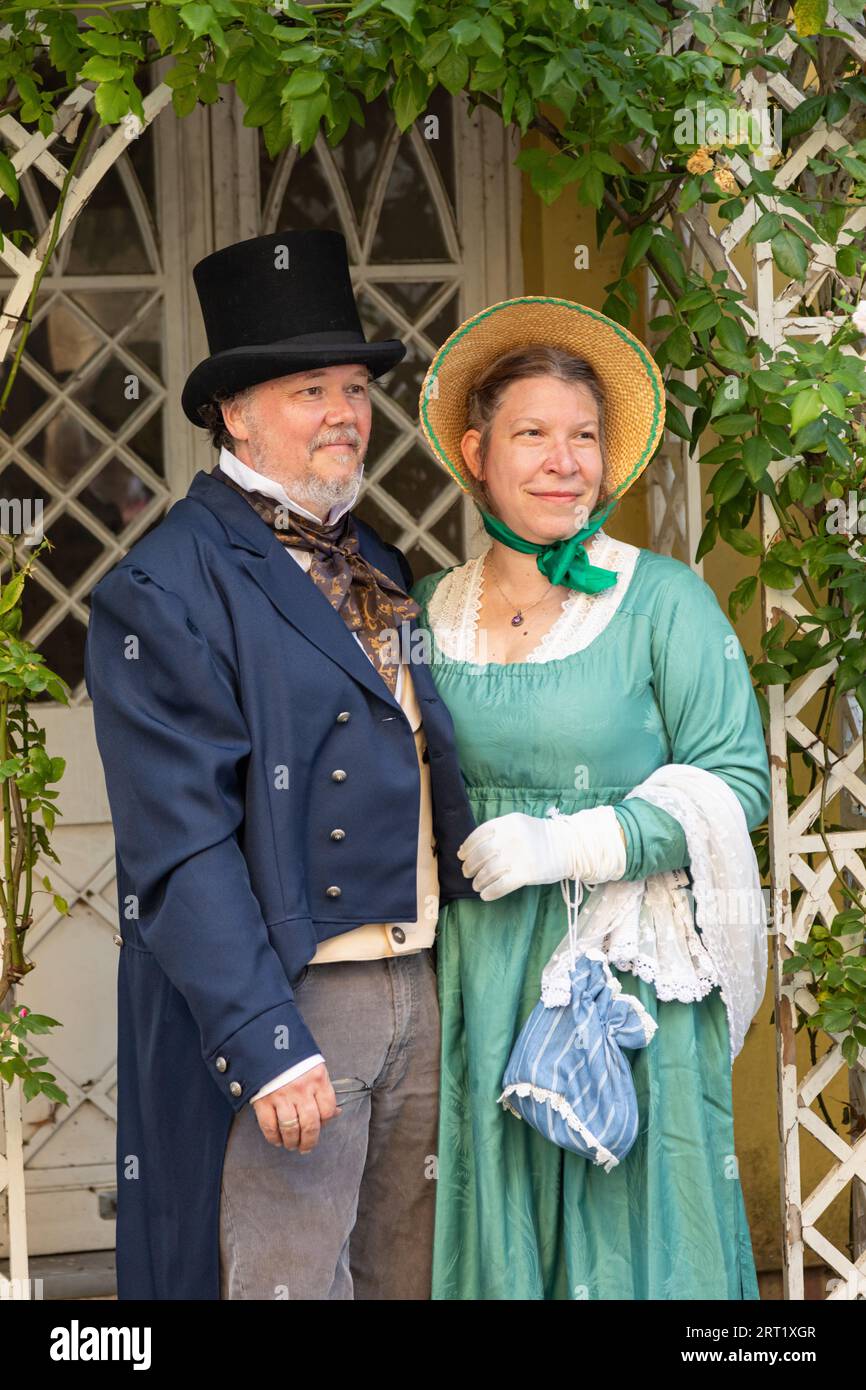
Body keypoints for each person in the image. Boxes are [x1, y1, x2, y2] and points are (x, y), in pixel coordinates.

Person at [84, 228, 480, 1300]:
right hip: (295, 1000)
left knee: (411, 1278)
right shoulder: (163, 587)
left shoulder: (378, 562)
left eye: (353, 386)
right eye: (310, 389)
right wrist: (266, 1040)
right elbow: (179, 845)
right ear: (233, 411)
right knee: (287, 1286)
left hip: (416, 981)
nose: (345, 412)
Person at [412, 296, 772, 1300]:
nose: (563, 460)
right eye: (532, 434)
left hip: (624, 973)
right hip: (484, 967)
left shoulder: (662, 598)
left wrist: (575, 841)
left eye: (583, 438)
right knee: (505, 1226)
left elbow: (733, 778)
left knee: (634, 1242)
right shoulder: (429, 609)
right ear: (476, 451)